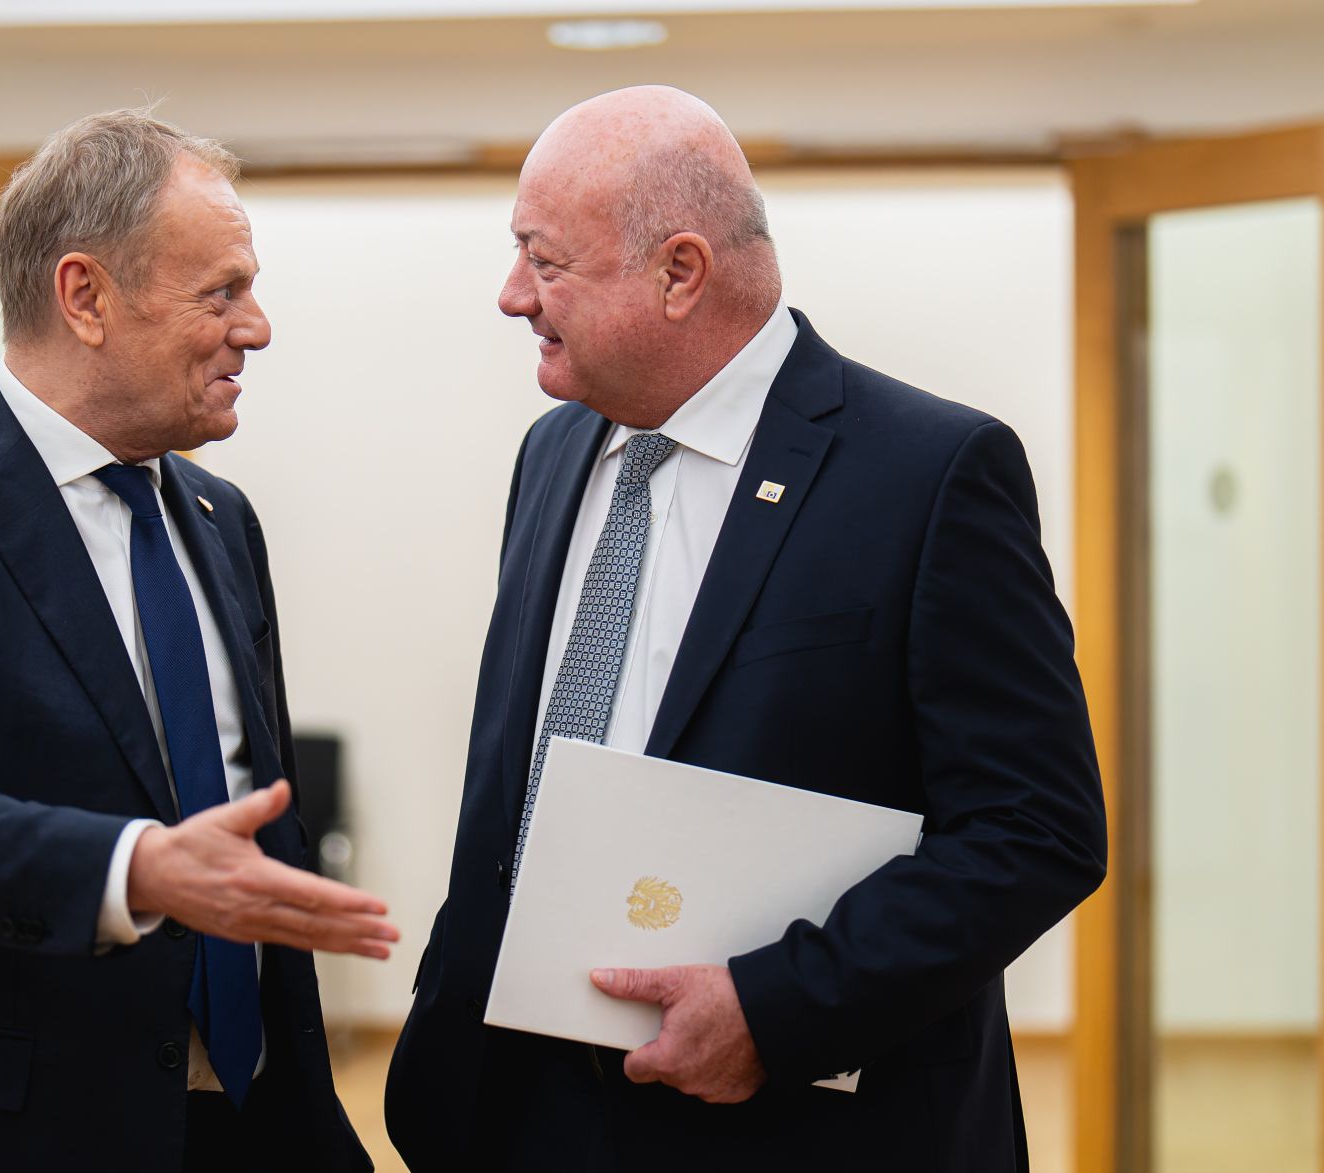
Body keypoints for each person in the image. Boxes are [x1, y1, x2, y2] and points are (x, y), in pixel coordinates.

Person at [385, 85, 1106, 1172]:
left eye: (544, 261)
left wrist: (773, 1011)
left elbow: (1033, 830)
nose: (509, 296)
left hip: (800, 1126)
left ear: (680, 272)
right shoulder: (550, 458)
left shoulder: (926, 475)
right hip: (524, 1112)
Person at [0, 108, 395, 1173]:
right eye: (222, 292)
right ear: (85, 297)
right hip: (2, 1134)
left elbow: (247, 822)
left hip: (244, 1125)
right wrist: (135, 869)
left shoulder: (220, 520)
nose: (256, 327)